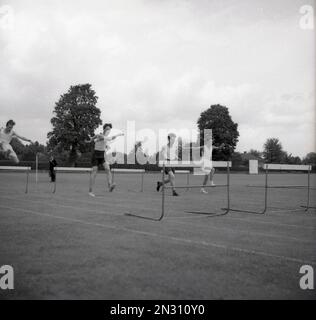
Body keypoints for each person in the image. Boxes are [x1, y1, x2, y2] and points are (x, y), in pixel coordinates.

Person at [86, 123, 124, 197]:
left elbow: (110, 138)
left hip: (102, 155)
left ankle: (110, 186)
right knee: (94, 172)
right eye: (107, 128)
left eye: (109, 129)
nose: (108, 130)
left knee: (107, 169)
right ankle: (90, 191)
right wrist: (91, 139)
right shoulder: (101, 135)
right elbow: (98, 136)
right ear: (104, 129)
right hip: (95, 155)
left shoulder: (106, 137)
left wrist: (118, 135)